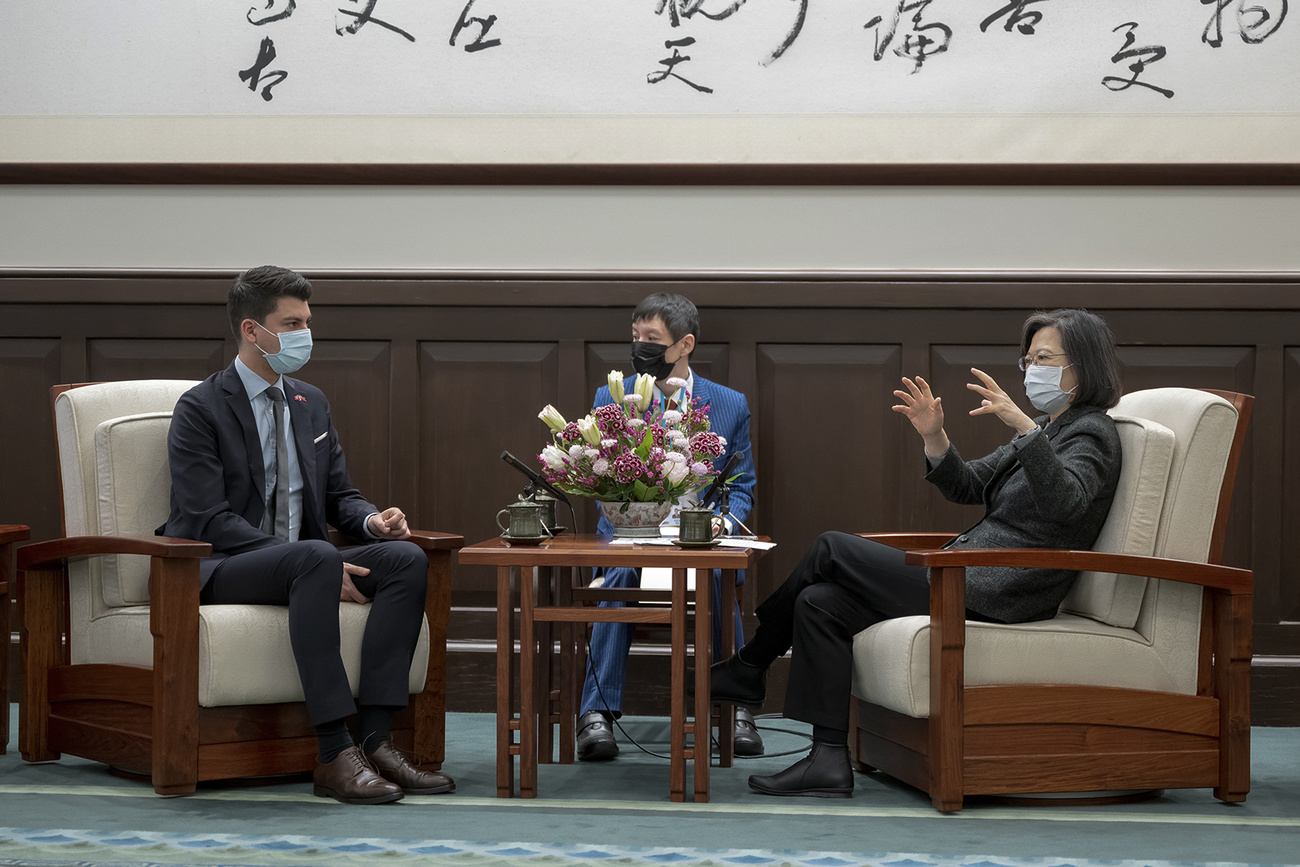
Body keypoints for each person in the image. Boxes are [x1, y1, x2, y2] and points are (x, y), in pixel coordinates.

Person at [705, 308, 1123, 798]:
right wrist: (933, 435)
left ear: (1084, 365)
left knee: (830, 548)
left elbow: (1067, 505)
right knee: (817, 601)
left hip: (999, 591)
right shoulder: (1051, 429)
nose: (1031, 371)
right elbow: (967, 484)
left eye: (1044, 359)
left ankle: (751, 664)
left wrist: (1025, 429)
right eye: (1027, 360)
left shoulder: (1091, 432)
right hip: (968, 577)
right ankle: (827, 759)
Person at [159, 265, 455, 805]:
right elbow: (205, 517)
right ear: (253, 330)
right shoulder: (200, 408)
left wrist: (372, 522)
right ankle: (331, 751)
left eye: (307, 322)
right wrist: (309, 559)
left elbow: (339, 495)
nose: (304, 334)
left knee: (405, 559)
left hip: (308, 562)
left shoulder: (309, 402)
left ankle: (376, 739)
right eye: (291, 323)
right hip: (222, 565)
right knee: (317, 556)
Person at [577, 293, 762, 761]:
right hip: (632, 536)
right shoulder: (613, 399)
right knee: (619, 572)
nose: (640, 347)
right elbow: (601, 476)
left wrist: (720, 522)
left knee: (715, 570)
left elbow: (742, 485)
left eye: (652, 340)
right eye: (635, 337)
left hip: (699, 538)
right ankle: (595, 715)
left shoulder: (728, 404)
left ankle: (736, 707)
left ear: (685, 345)